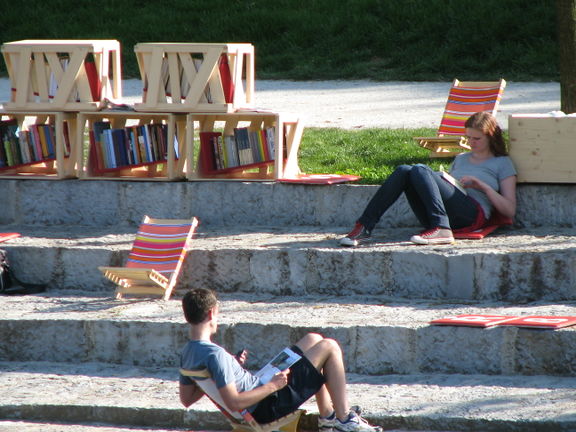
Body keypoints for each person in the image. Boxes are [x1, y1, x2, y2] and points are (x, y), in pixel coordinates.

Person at [179, 288, 382, 432]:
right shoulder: (216, 355)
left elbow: (186, 399)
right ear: (211, 312)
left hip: (259, 387)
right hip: (266, 405)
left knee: (313, 339)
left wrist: (229, 370)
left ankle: (328, 418)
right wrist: (273, 386)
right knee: (329, 346)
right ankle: (345, 420)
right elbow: (233, 402)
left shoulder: (188, 353)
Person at [340, 111, 517, 246]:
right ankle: (364, 227)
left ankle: (442, 230)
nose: (471, 142)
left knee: (420, 169)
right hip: (439, 214)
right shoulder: (461, 158)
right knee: (404, 170)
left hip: (471, 215)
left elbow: (509, 210)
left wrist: (482, 186)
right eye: (468, 137)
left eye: (477, 138)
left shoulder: (502, 162)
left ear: (491, 136)